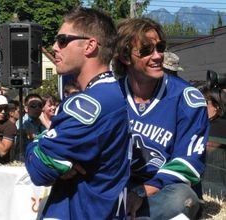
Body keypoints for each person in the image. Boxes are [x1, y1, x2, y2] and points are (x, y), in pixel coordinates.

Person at [25, 7, 130, 220]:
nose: (55, 47)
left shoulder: (91, 103)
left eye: (62, 40)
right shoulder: (116, 93)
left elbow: (39, 170)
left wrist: (36, 143)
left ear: (90, 45)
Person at [113, 17, 210, 220]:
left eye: (160, 47)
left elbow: (189, 164)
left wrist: (142, 191)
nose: (158, 56)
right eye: (146, 50)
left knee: (182, 200)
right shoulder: (110, 96)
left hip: (163, 190)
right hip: (119, 186)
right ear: (125, 57)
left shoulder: (187, 98)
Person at [0, 95, 17, 165]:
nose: (3, 111)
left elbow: (3, 152)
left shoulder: (9, 126)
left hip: (0, 168)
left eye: (5, 109)